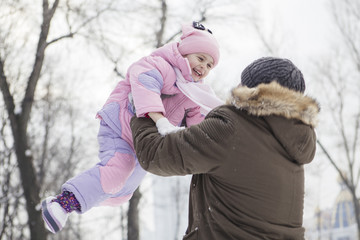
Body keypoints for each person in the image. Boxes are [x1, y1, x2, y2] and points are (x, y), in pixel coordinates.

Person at [41, 21, 224, 234]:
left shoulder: (194, 93)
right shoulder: (160, 65)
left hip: (142, 143)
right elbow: (145, 85)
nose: (203, 67)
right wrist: (161, 120)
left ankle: (86, 196)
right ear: (185, 53)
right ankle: (62, 203)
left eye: (210, 65)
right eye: (200, 58)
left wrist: (204, 148)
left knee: (123, 192)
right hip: (120, 126)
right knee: (116, 174)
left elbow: (198, 124)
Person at [130, 57, 320, 240]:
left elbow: (155, 154)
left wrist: (143, 105)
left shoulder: (230, 128)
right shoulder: (295, 142)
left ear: (248, 90)